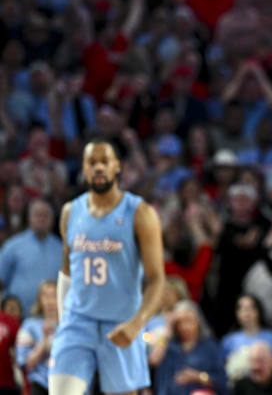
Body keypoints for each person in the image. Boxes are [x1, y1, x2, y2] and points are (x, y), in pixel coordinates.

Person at [49, 139, 166, 395]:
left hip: (121, 323)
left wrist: (138, 323)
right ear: (83, 168)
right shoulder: (70, 212)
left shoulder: (141, 213)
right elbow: (66, 271)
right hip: (78, 321)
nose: (99, 168)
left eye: (105, 161)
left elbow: (157, 280)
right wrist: (63, 322)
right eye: (92, 162)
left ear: (118, 167)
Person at [0, 199, 63, 315]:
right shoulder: (12, 246)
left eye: (45, 215)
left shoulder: (61, 249)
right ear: (29, 218)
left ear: (52, 220)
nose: (41, 218)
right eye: (37, 214)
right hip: (16, 316)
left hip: (51, 316)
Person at [16, 281, 58, 395]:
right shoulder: (29, 325)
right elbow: (27, 363)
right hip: (40, 384)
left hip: (66, 382)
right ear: (40, 300)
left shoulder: (71, 326)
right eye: (46, 296)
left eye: (54, 295)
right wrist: (44, 339)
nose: (50, 301)